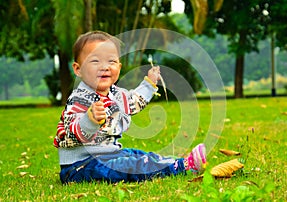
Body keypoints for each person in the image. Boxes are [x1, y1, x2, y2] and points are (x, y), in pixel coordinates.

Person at [53, 30, 207, 184]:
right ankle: (181, 167)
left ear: (119, 67)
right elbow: (71, 131)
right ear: (78, 69)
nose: (105, 67)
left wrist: (149, 84)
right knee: (128, 165)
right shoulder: (79, 99)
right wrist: (89, 120)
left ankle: (177, 163)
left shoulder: (116, 94)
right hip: (80, 166)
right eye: (95, 61)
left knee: (137, 155)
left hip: (110, 155)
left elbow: (134, 101)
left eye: (111, 61)